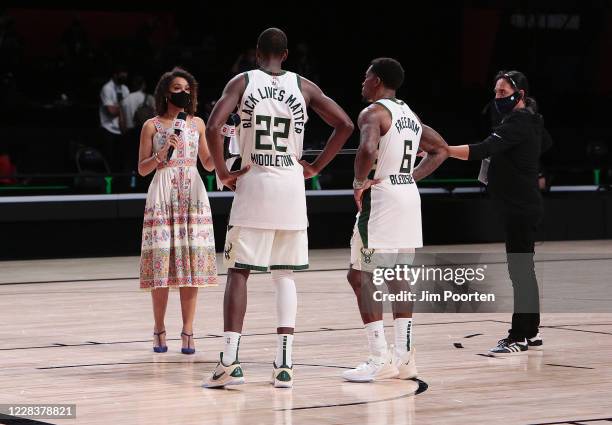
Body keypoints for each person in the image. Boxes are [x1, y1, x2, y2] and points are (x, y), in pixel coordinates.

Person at [203, 28, 353, 389]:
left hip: (255, 184)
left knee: (239, 272)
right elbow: (345, 125)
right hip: (290, 187)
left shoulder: (242, 82)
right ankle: (284, 365)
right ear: (285, 55)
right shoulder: (304, 87)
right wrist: (315, 167)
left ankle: (229, 361)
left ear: (258, 53)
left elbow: (212, 125)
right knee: (284, 274)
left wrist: (223, 172)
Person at [343, 58, 449, 382]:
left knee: (361, 275)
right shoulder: (410, 116)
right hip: (408, 196)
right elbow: (441, 149)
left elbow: (366, 149)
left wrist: (360, 183)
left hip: (384, 197)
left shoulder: (372, 113)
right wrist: (411, 177)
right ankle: (404, 358)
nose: (362, 83)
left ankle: (379, 358)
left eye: (365, 77)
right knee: (398, 274)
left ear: (376, 80)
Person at [447, 70, 552, 355]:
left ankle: (518, 337)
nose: (497, 98)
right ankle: (532, 331)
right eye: (495, 92)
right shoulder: (528, 120)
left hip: (520, 208)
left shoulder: (519, 121)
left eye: (503, 93)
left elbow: (483, 149)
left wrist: (442, 150)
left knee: (520, 273)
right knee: (523, 272)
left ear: (520, 95)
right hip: (522, 205)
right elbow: (545, 143)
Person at [138, 67, 218, 355]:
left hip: (192, 192)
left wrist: (226, 145)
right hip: (162, 191)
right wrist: (161, 154)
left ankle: (188, 331)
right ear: (165, 93)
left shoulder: (197, 124)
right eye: (177, 88)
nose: (183, 93)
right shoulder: (151, 126)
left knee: (190, 267)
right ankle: (159, 329)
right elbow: (142, 168)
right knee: (162, 264)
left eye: (186, 89)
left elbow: (208, 163)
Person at [120, 75, 155, 172]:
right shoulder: (149, 99)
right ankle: (142, 184)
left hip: (129, 134)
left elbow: (122, 122)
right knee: (146, 160)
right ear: (143, 85)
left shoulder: (125, 100)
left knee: (129, 161)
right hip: (145, 133)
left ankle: (130, 184)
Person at [99, 65, 130, 171]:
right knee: (109, 161)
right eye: (122, 73)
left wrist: (119, 108)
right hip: (108, 129)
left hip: (122, 130)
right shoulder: (107, 88)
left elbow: (128, 110)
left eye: (126, 73)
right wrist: (122, 109)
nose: (125, 75)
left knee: (121, 162)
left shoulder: (125, 89)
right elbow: (111, 111)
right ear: (115, 74)